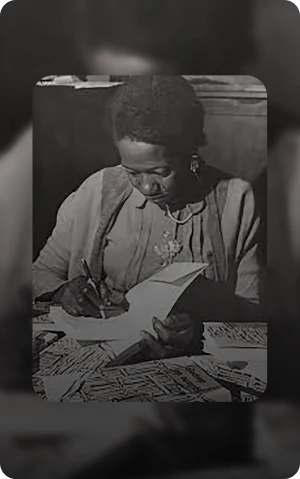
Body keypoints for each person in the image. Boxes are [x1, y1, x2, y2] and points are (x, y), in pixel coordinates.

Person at [33, 75, 264, 360]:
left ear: (190, 153)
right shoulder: (97, 191)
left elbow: (253, 307)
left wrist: (198, 331)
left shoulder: (237, 200)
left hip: (196, 358)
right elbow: (40, 273)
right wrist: (63, 291)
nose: (146, 187)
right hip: (103, 356)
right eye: (132, 172)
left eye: (160, 172)